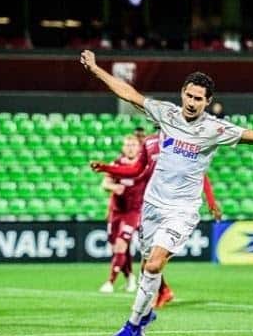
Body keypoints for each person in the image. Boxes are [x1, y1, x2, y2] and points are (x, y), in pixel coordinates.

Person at [81, 49, 253, 336]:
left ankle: (132, 325)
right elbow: (129, 93)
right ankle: (144, 318)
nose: (192, 102)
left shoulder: (214, 128)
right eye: (189, 95)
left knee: (155, 265)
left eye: (199, 98)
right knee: (148, 264)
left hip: (182, 210)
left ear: (207, 102)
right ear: (182, 93)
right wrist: (95, 69)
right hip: (152, 205)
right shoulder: (166, 113)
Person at [93, 127, 223, 308]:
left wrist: (211, 201)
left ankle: (138, 298)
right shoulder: (151, 150)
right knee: (147, 258)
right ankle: (160, 291)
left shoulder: (183, 148)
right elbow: (135, 169)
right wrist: (106, 168)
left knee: (148, 257)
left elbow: (200, 174)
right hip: (149, 209)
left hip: (168, 210)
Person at [99, 135, 143, 294]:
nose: (130, 147)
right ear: (123, 148)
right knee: (117, 247)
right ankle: (130, 276)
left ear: (139, 147)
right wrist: (113, 188)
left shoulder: (143, 165)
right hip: (117, 211)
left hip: (133, 212)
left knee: (121, 244)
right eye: (127, 145)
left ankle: (110, 282)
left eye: (133, 145)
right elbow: (105, 183)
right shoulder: (116, 164)